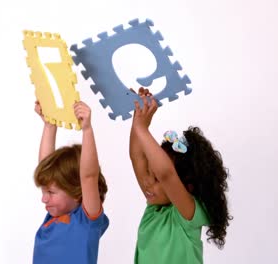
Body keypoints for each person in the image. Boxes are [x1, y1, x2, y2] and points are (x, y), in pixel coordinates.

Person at [129, 88, 232, 264]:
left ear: (187, 186)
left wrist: (142, 129)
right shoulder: (155, 209)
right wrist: (139, 121)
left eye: (156, 180)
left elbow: (166, 174)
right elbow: (137, 157)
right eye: (151, 175)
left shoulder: (189, 214)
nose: (148, 184)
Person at [32, 101, 109, 264]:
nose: (44, 199)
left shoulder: (86, 222)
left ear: (76, 191)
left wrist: (87, 129)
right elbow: (44, 167)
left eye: (51, 193)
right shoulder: (54, 216)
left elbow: (89, 176)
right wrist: (49, 125)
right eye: (45, 192)